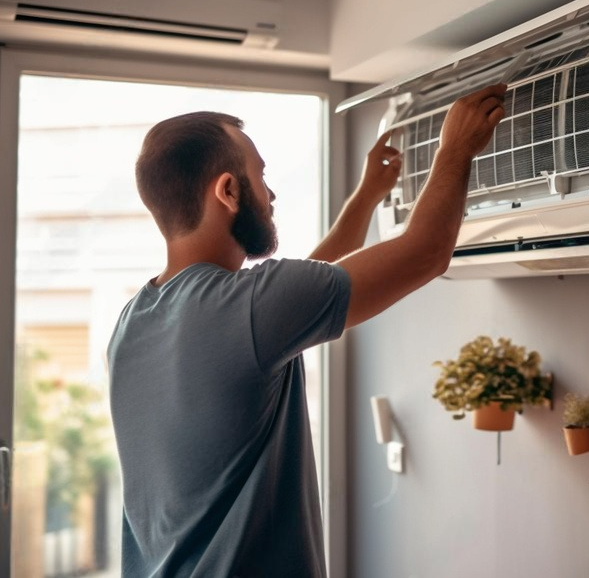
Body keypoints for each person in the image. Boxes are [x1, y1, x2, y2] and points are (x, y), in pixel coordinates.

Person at [106, 83, 507, 577]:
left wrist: (366, 198)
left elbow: (305, 291)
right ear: (228, 191)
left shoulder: (134, 320)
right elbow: (425, 253)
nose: (270, 194)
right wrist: (456, 148)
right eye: (261, 177)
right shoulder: (253, 308)